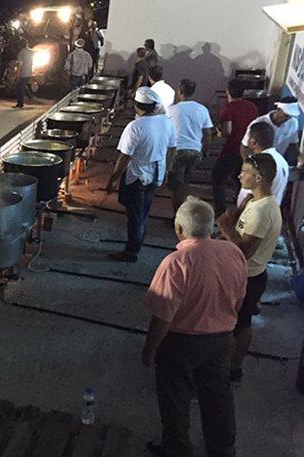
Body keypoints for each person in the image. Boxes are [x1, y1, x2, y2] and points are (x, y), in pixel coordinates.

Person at [142, 197, 245, 457]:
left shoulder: (176, 262)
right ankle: (222, 448)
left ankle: (177, 449)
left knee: (175, 397)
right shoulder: (233, 252)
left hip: (181, 342)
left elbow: (163, 316)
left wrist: (150, 348)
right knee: (218, 394)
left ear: (179, 228)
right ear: (211, 226)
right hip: (222, 340)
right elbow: (239, 299)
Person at [217, 154, 282, 384]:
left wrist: (225, 228)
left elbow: (245, 251)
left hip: (249, 277)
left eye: (244, 172)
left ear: (259, 177)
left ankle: (232, 370)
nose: (239, 175)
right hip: (241, 273)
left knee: (240, 324)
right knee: (237, 321)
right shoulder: (254, 201)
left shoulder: (264, 211)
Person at [106, 87, 177, 262]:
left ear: (137, 105)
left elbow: (124, 157)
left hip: (138, 175)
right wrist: (167, 169)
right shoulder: (166, 122)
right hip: (156, 173)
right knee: (144, 211)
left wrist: (113, 180)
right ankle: (138, 242)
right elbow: (172, 148)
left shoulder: (135, 126)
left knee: (135, 215)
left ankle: (131, 251)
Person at [166, 79, 213, 213]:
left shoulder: (171, 110)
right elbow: (208, 134)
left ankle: (177, 216)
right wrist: (205, 150)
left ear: (179, 90)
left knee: (177, 187)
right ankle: (184, 211)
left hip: (178, 151)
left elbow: (165, 131)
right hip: (195, 152)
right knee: (186, 183)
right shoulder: (202, 109)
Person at [212, 79, 258, 216]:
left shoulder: (227, 109)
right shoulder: (252, 107)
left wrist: (219, 132)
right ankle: (240, 203)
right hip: (248, 149)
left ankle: (220, 210)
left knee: (218, 178)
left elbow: (227, 132)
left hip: (232, 148)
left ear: (228, 91)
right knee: (240, 177)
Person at [237, 122, 288, 209]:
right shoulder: (282, 160)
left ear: (253, 142)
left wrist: (237, 214)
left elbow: (251, 194)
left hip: (255, 211)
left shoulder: (259, 162)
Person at [241, 98, 300, 167]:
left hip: (276, 164)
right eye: (286, 115)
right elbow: (245, 147)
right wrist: (250, 165)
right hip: (258, 162)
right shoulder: (258, 123)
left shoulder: (293, 123)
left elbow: (293, 145)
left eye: (291, 116)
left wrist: (299, 160)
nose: (288, 118)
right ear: (278, 109)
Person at [14, 39, 34, 109]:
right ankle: (30, 97)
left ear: (20, 45)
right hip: (29, 71)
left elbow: (20, 65)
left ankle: (20, 104)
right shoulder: (31, 51)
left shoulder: (21, 53)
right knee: (24, 87)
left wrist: (17, 75)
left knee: (20, 89)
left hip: (23, 73)